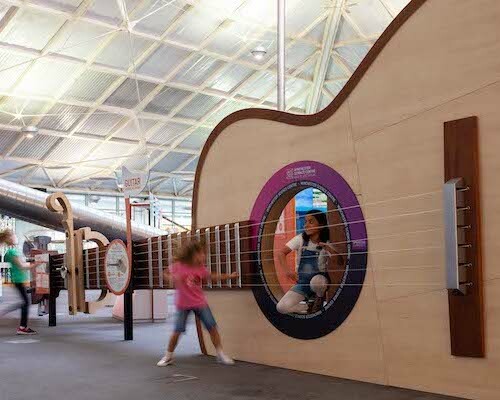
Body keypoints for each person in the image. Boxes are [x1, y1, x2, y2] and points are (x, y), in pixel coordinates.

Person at [157, 241, 238, 367]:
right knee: (177, 331)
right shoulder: (178, 266)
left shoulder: (200, 269)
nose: (203, 256)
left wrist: (229, 276)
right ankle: (168, 356)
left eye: (203, 254)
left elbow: (213, 276)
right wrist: (171, 278)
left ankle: (220, 354)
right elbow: (165, 273)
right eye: (201, 253)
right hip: (183, 304)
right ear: (192, 254)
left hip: (199, 303)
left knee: (212, 327)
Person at [276, 210, 339, 315]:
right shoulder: (300, 239)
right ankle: (307, 306)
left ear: (321, 225)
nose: (306, 225)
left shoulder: (327, 242)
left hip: (320, 281)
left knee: (317, 281)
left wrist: (329, 249)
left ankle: (318, 299)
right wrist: (287, 271)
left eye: (311, 222)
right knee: (281, 308)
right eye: (305, 222)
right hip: (303, 283)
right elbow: (281, 253)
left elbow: (338, 262)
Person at [0, 229, 42, 335]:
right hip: (18, 280)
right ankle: (22, 328)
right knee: (26, 302)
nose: (16, 237)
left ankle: (9, 315)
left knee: (24, 302)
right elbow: (22, 266)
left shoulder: (11, 252)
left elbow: (21, 263)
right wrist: (36, 264)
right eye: (14, 236)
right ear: (9, 239)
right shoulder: (12, 252)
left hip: (18, 280)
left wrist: (32, 262)